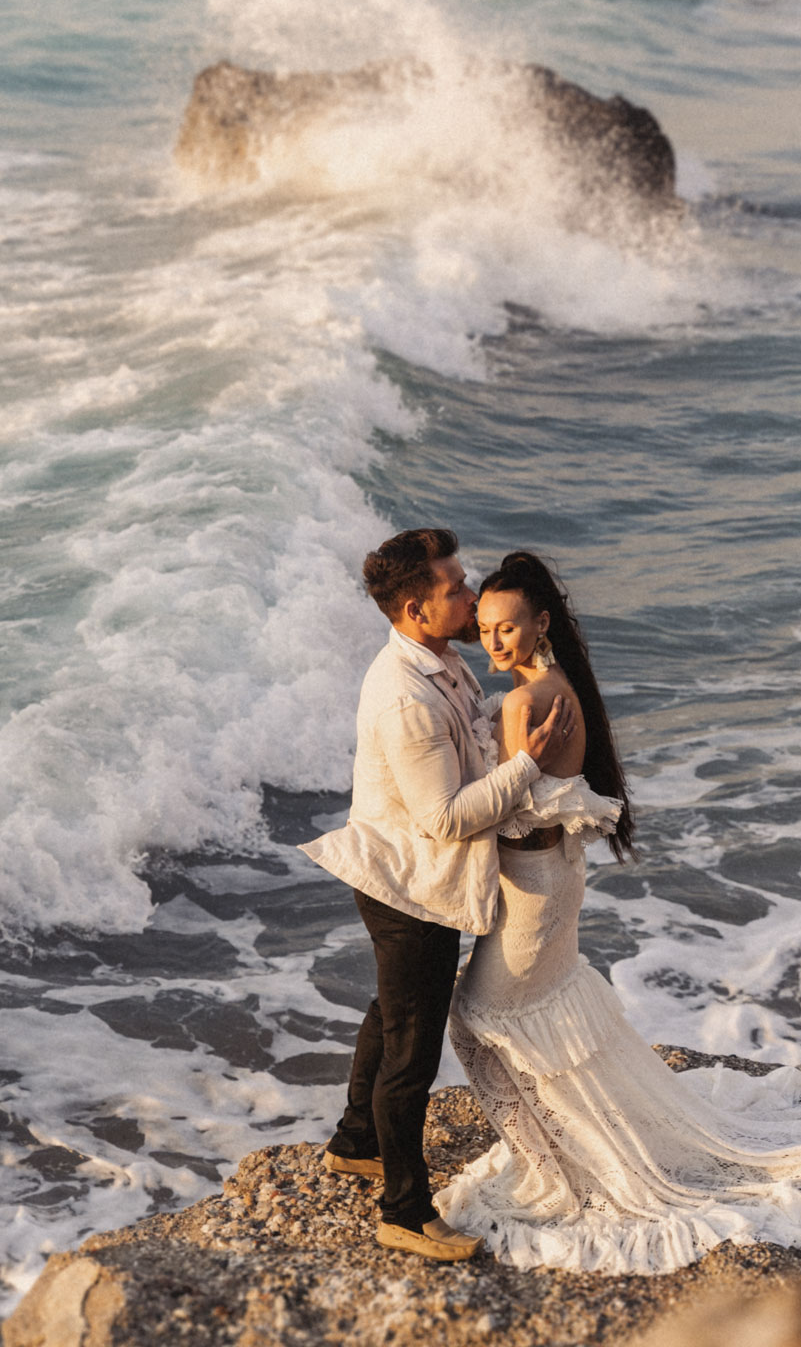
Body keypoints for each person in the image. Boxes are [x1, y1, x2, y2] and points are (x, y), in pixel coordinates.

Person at [435, 551, 801, 1275]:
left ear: (540, 623)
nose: (494, 642)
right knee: (534, 1014)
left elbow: (517, 818)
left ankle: (553, 1171)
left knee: (478, 1017)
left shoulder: (525, 704)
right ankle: (562, 1152)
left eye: (508, 628)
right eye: (485, 629)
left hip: (533, 891)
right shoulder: (559, 687)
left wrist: (452, 809)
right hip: (554, 883)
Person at [299, 528, 573, 1262]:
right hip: (410, 889)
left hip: (406, 874)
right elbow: (444, 818)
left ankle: (356, 1142)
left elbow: (463, 746)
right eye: (455, 587)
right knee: (412, 1054)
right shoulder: (405, 698)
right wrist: (528, 766)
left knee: (394, 1010)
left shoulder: (440, 660)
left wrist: (509, 716)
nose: (470, 591)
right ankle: (404, 1211)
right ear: (418, 608)